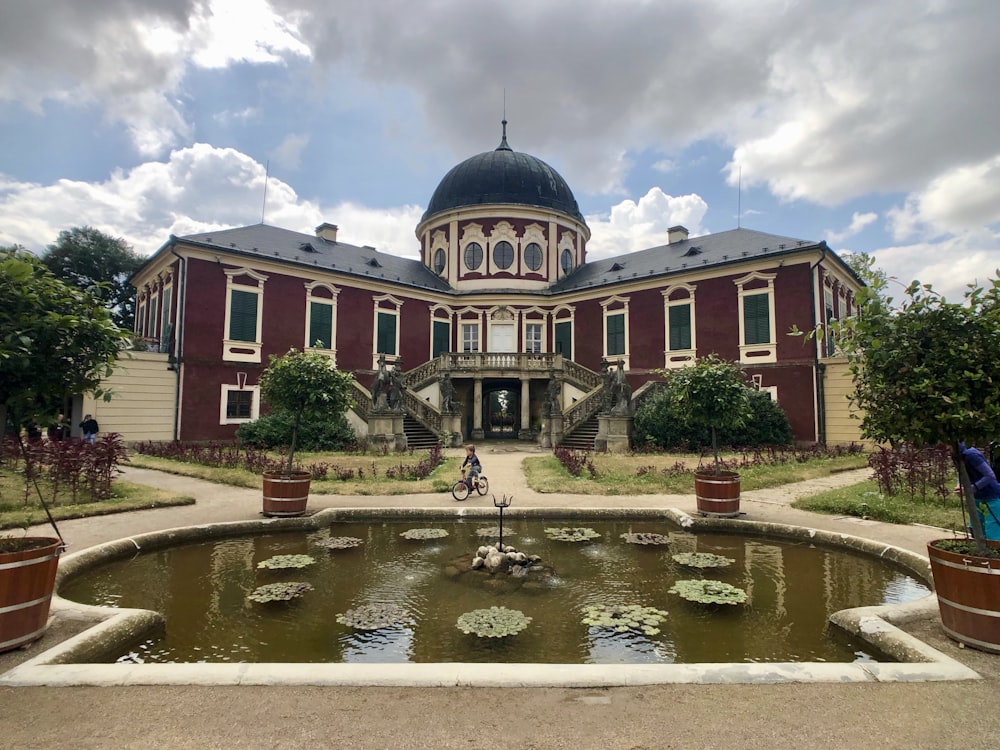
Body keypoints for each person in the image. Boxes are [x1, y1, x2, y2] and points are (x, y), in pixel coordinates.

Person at [959, 442, 1000, 541]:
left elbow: (990, 475)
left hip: (992, 497)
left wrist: (970, 489)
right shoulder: (957, 454)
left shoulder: (971, 455)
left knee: (993, 533)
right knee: (976, 530)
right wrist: (959, 485)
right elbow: (962, 472)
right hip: (977, 497)